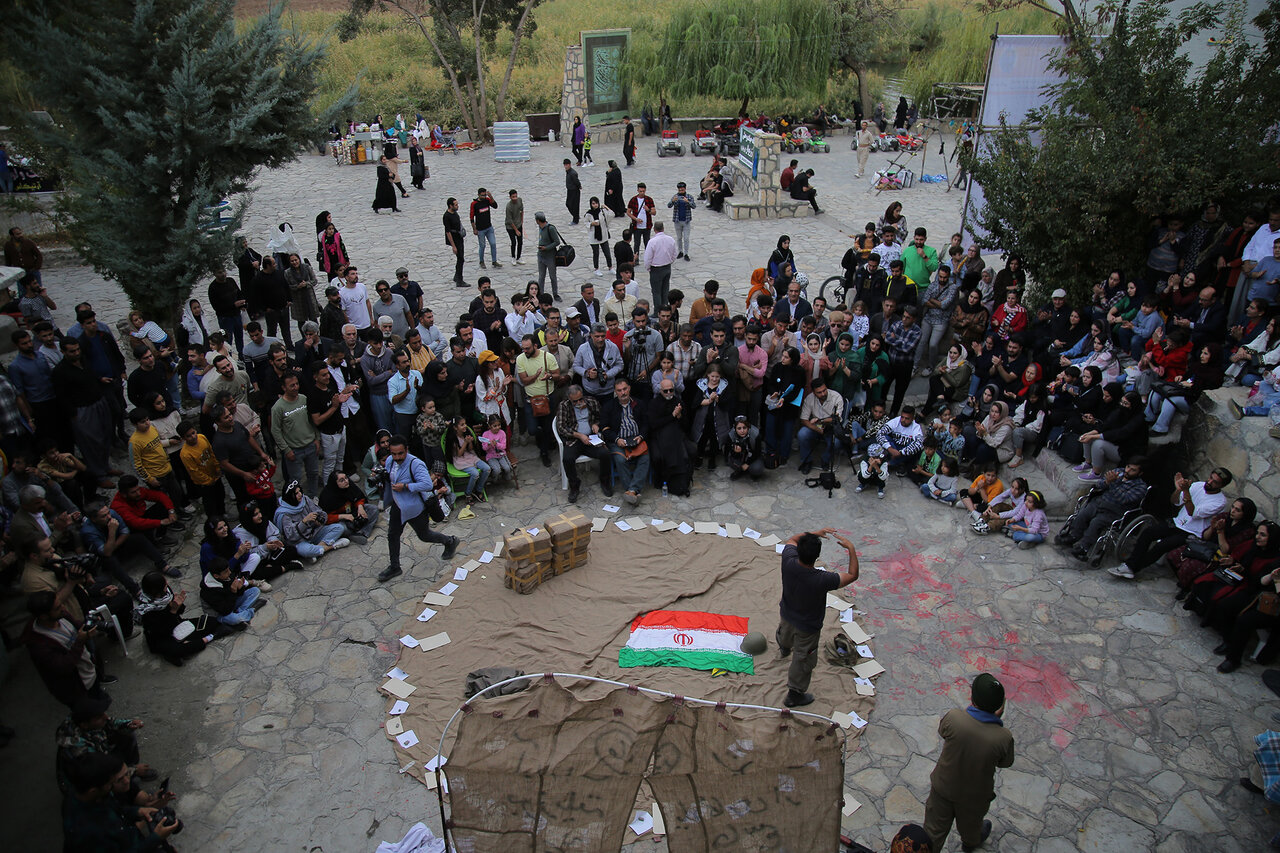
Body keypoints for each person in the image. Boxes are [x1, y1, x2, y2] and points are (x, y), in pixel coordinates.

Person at [924, 673, 1014, 853]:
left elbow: (943, 731)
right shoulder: (1003, 737)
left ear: (972, 699)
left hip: (943, 788)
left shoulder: (955, 718)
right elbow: (1005, 763)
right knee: (972, 826)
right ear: (1000, 707)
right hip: (975, 797)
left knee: (933, 831)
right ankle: (970, 843)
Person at [776, 527, 859, 708]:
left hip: (787, 613)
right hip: (807, 626)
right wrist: (851, 548)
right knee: (803, 659)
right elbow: (852, 575)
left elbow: (792, 538)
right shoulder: (823, 579)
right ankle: (795, 694)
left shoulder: (788, 560)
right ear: (816, 557)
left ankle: (783, 647)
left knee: (785, 633)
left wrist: (812, 534)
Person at [1107, 468, 1232, 580]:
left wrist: (1186, 491)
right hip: (1177, 523)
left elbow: (1192, 512)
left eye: (1215, 482)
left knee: (1162, 546)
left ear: (1221, 486)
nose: (1210, 482)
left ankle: (1132, 568)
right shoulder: (1198, 485)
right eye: (1211, 478)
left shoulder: (1219, 502)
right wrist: (1178, 490)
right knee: (1148, 533)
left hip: (1192, 532)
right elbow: (1174, 501)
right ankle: (1130, 565)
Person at [378, 434, 459, 582]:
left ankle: (450, 541)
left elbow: (427, 484)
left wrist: (406, 486)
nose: (397, 457)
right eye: (394, 453)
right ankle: (395, 566)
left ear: (406, 450)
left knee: (424, 535)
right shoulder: (390, 461)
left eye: (400, 453)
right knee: (393, 535)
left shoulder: (415, 464)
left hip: (415, 507)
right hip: (398, 505)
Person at [534, 211, 564, 301]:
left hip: (550, 257)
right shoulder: (540, 227)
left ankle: (555, 294)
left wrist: (546, 248)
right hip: (541, 256)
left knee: (552, 276)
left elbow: (557, 242)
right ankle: (540, 294)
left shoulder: (550, 228)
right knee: (541, 276)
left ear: (538, 220)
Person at [667, 181, 696, 261]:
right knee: (679, 237)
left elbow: (694, 206)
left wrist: (688, 202)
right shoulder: (675, 196)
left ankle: (686, 253)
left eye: (682, 190)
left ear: (685, 189)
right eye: (679, 190)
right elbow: (669, 205)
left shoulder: (689, 197)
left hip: (686, 220)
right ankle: (680, 251)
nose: (681, 192)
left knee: (686, 238)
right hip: (677, 220)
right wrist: (673, 201)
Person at [443, 197, 466, 286]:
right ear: (450, 205)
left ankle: (457, 276)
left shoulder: (455, 214)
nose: (457, 206)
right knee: (460, 258)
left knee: (460, 258)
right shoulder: (447, 216)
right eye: (455, 205)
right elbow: (448, 231)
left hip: (459, 237)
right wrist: (453, 246)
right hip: (454, 238)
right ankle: (459, 280)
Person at [563, 159, 581, 225]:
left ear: (569, 165)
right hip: (570, 190)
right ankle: (576, 215)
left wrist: (579, 186)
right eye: (564, 165)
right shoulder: (568, 172)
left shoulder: (572, 173)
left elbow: (576, 181)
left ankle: (575, 219)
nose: (565, 166)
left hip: (574, 190)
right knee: (568, 204)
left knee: (574, 205)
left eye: (567, 165)